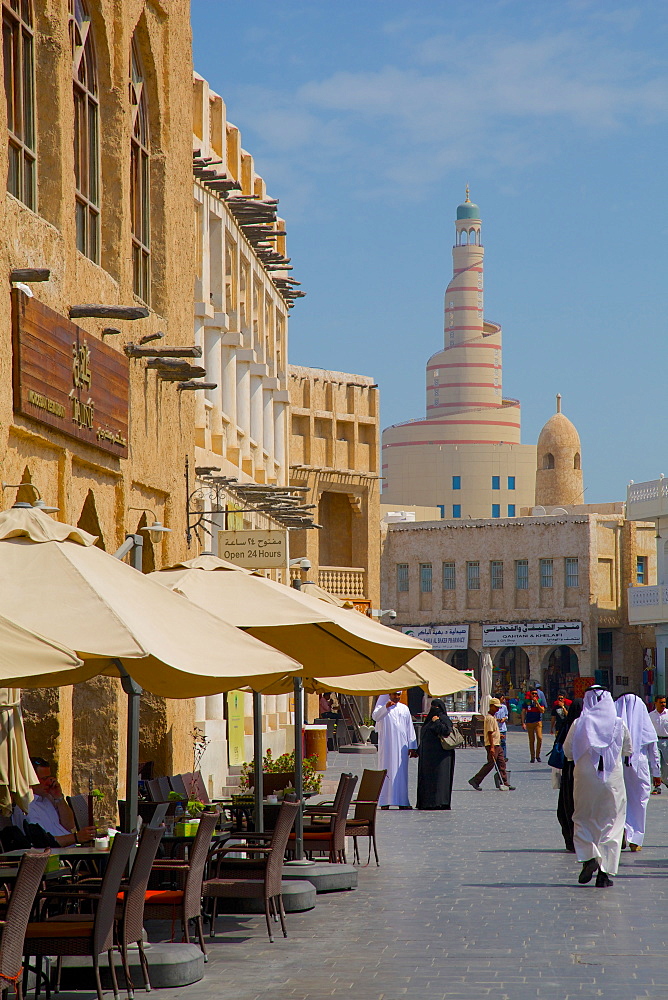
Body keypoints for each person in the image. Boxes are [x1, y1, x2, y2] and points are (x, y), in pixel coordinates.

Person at [563, 687, 632, 888]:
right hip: (612, 779)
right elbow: (628, 749)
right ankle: (604, 872)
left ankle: (588, 856)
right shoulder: (619, 724)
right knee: (612, 821)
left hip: (585, 778)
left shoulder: (579, 723)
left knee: (583, 817)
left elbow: (568, 751)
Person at [615, 693, 661, 851]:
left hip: (619, 764)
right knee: (640, 800)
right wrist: (656, 772)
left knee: (621, 799)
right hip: (640, 764)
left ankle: (623, 832)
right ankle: (636, 838)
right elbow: (653, 749)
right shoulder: (645, 723)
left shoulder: (615, 723)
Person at [25, 757, 96, 846]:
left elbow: (69, 825)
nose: (48, 783)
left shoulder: (48, 798)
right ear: (31, 780)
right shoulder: (26, 806)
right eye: (44, 779)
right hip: (56, 854)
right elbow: (42, 842)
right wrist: (76, 837)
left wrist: (59, 798)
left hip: (69, 850)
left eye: (49, 778)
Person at [372, 692, 418, 809]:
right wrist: (385, 707)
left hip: (402, 747)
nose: (396, 697)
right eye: (394, 695)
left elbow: (409, 727)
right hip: (387, 747)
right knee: (386, 771)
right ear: (389, 695)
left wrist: (412, 745)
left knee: (401, 773)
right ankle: (385, 802)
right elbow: (375, 717)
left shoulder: (404, 708)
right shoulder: (382, 708)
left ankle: (402, 801)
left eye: (398, 695)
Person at [468, 698, 515, 791]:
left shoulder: (493, 717)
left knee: (501, 763)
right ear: (491, 706)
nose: (498, 709)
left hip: (497, 744)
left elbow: (493, 731)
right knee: (490, 764)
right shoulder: (489, 718)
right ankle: (475, 780)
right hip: (492, 745)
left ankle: (504, 782)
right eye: (496, 707)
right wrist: (492, 747)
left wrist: (499, 735)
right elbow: (489, 733)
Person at [416, 698, 455, 810]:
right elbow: (425, 737)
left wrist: (437, 721)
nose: (433, 709)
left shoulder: (443, 718)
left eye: (436, 707)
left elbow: (446, 731)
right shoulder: (429, 720)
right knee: (427, 779)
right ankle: (426, 803)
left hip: (440, 756)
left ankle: (439, 802)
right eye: (432, 707)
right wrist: (419, 750)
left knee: (439, 779)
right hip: (428, 757)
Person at [555, 697, 583, 852]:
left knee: (568, 804)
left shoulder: (568, 725)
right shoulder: (583, 725)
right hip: (582, 769)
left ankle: (570, 839)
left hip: (568, 770)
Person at [648, 695, 668, 792]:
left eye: (664, 702)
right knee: (656, 764)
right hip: (654, 742)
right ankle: (657, 786)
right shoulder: (650, 716)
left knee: (665, 765)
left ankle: (665, 781)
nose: (663, 704)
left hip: (666, 742)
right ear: (655, 703)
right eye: (661, 702)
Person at [521, 688, 545, 762]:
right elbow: (523, 712)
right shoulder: (526, 702)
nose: (534, 695)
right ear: (530, 694)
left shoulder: (540, 701)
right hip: (529, 722)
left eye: (535, 693)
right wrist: (523, 722)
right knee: (531, 740)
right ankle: (532, 756)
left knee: (539, 738)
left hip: (538, 722)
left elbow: (542, 710)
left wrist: (537, 703)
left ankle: (538, 755)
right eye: (533, 693)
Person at [496, 695, 509, 761]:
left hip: (503, 727)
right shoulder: (494, 707)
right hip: (496, 728)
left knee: (503, 742)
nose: (504, 699)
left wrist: (504, 718)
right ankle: (498, 757)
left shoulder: (504, 707)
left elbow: (507, 715)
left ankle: (504, 756)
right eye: (502, 698)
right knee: (497, 743)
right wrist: (497, 719)